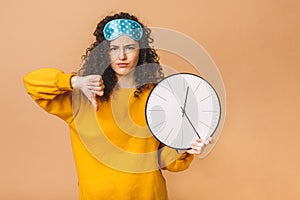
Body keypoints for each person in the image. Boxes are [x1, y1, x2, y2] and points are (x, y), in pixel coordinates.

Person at [23, 12, 212, 200]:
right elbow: (31, 83)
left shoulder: (158, 97)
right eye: (114, 48)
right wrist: (74, 82)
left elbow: (164, 161)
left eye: (130, 47)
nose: (122, 55)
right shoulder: (83, 96)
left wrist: (184, 145)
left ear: (142, 51)